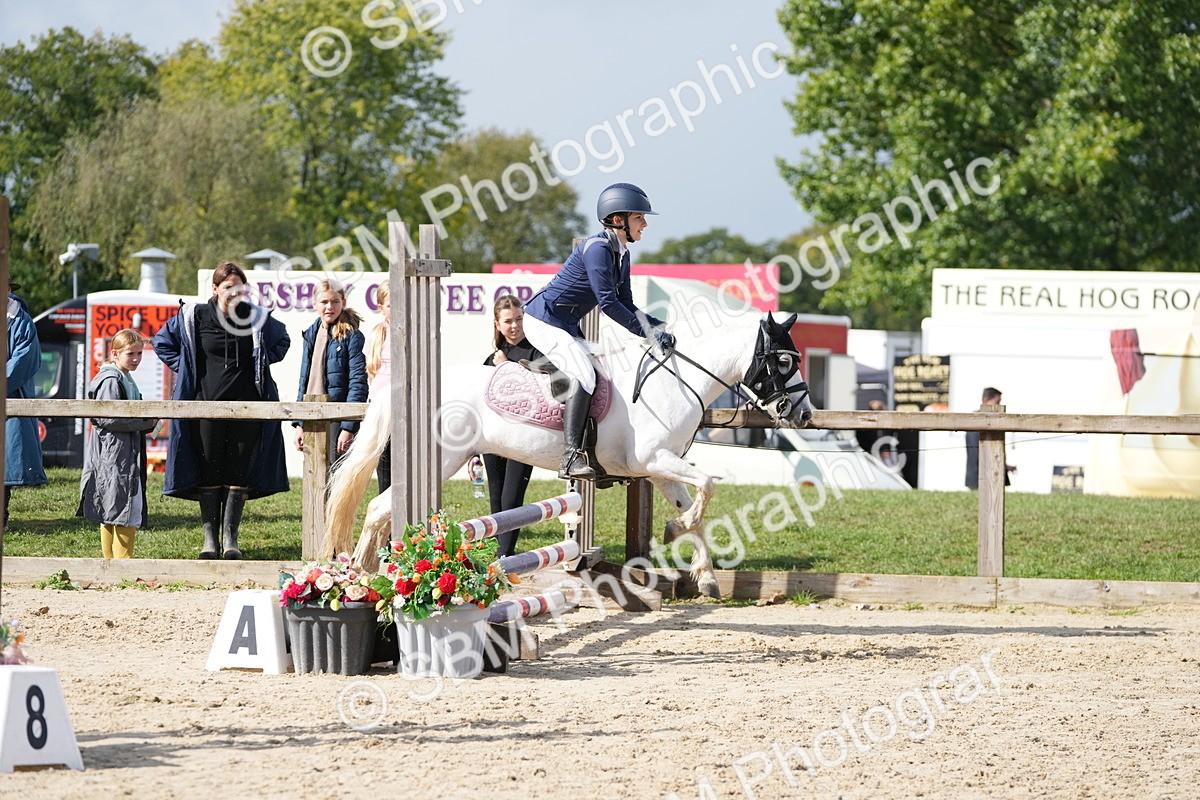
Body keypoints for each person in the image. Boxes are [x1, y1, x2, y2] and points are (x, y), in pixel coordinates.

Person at [523, 182, 674, 479]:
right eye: (639, 218)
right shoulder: (597, 249)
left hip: (564, 324)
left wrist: (660, 327)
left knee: (603, 372)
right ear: (619, 220)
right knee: (585, 375)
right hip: (543, 319)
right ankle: (570, 458)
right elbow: (608, 303)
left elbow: (627, 302)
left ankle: (593, 450)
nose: (644, 224)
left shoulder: (622, 253)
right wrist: (648, 333)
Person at [153, 261, 291, 559]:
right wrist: (187, 368)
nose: (234, 293)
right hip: (204, 406)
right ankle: (209, 542)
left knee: (238, 472)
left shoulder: (255, 317)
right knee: (209, 471)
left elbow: (283, 340)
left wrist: (262, 363)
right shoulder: (195, 315)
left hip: (248, 408)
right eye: (228, 287)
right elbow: (162, 342)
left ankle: (230, 540)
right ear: (215, 289)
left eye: (240, 288)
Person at [77, 330, 157, 558]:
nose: (136, 358)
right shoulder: (111, 379)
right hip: (113, 451)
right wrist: (143, 423)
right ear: (115, 353)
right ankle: (121, 565)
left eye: (140, 353)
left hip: (120, 449)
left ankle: (113, 563)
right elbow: (108, 418)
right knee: (122, 506)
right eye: (131, 353)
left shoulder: (124, 378)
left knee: (115, 505)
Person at [481, 295, 543, 557]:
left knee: (511, 498)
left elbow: (546, 391)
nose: (515, 326)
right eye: (508, 321)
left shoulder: (538, 353)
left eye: (519, 319)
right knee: (496, 498)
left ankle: (504, 556)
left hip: (522, 437)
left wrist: (506, 367)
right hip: (494, 440)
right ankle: (496, 553)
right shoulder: (490, 358)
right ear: (497, 324)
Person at [292, 278, 367, 463]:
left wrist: (348, 427)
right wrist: (300, 424)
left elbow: (358, 383)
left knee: (337, 474)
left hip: (338, 417)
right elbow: (305, 381)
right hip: (312, 413)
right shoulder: (311, 334)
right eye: (324, 302)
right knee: (314, 469)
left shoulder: (352, 336)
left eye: (335, 302)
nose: (329, 307)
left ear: (344, 303)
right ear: (314, 303)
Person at [5, 280, 47, 524]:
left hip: (10, 402)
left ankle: (2, 516)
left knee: (4, 470)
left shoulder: (21, 322)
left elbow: (23, 362)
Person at [364, 282, 392, 493]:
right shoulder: (377, 333)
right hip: (380, 403)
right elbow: (371, 370)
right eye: (391, 305)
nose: (397, 309)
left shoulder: (412, 331)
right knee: (384, 464)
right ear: (381, 307)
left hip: (404, 404)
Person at [965, 387, 1015, 489]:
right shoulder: (974, 422)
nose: (1000, 406)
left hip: (989, 477)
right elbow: (977, 455)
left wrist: (1004, 466)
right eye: (997, 402)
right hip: (980, 479)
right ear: (986, 401)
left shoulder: (991, 422)